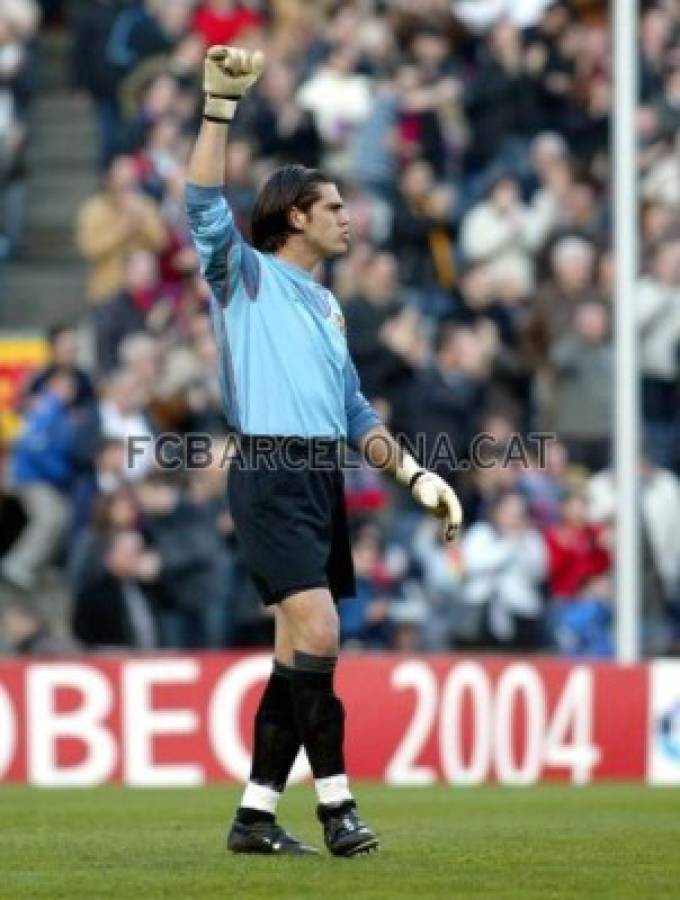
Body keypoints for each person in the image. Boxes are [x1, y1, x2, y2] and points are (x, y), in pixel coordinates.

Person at [185, 45, 462, 857]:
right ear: (294, 217)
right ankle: (337, 808)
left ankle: (254, 817)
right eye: (332, 206)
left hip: (319, 475)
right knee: (323, 632)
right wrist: (217, 108)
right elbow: (203, 201)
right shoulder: (246, 276)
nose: (349, 216)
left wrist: (414, 473)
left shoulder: (331, 306)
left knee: (292, 654)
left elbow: (351, 410)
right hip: (269, 469)